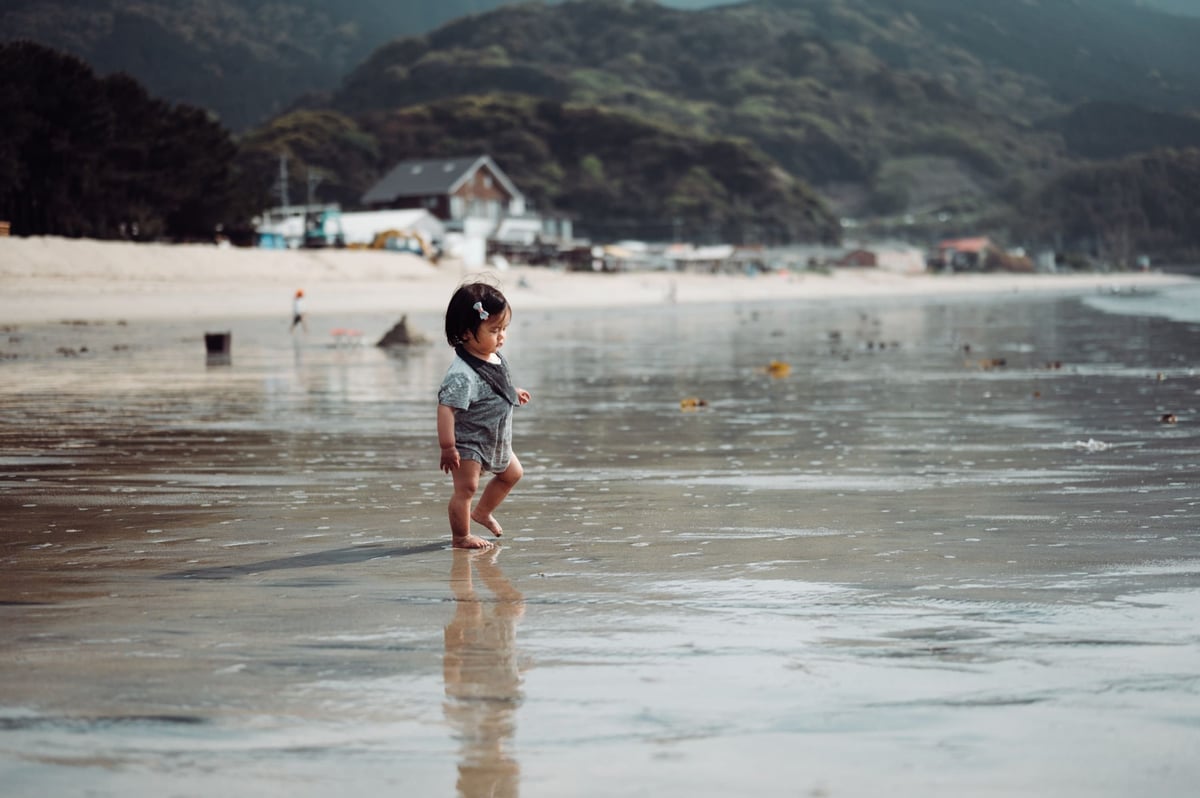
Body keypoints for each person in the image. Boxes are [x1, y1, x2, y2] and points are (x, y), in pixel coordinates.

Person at [438, 281, 531, 549]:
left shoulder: (492, 355)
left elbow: (492, 383)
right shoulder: (461, 374)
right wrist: (448, 446)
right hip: (469, 443)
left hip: (496, 438)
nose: (501, 336)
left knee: (513, 474)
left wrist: (512, 392)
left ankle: (482, 513)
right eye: (494, 330)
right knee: (466, 489)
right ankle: (461, 536)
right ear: (467, 333)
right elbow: (446, 407)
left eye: (504, 329)